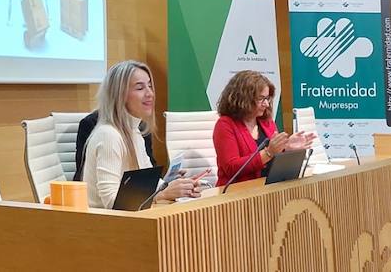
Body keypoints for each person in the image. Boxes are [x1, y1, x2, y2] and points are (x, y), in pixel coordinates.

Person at [82, 60, 204, 209]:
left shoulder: (134, 131)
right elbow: (112, 203)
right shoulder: (109, 135)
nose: (150, 93)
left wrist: (179, 187)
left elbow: (149, 184)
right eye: (140, 88)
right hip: (106, 222)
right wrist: (162, 195)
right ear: (119, 95)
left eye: (150, 86)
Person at [212, 70, 315, 187]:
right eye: (261, 98)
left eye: (267, 98)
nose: (266, 104)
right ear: (243, 99)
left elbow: (274, 160)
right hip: (236, 192)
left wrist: (286, 148)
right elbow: (231, 168)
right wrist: (268, 153)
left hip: (267, 188)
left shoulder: (267, 122)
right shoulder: (225, 125)